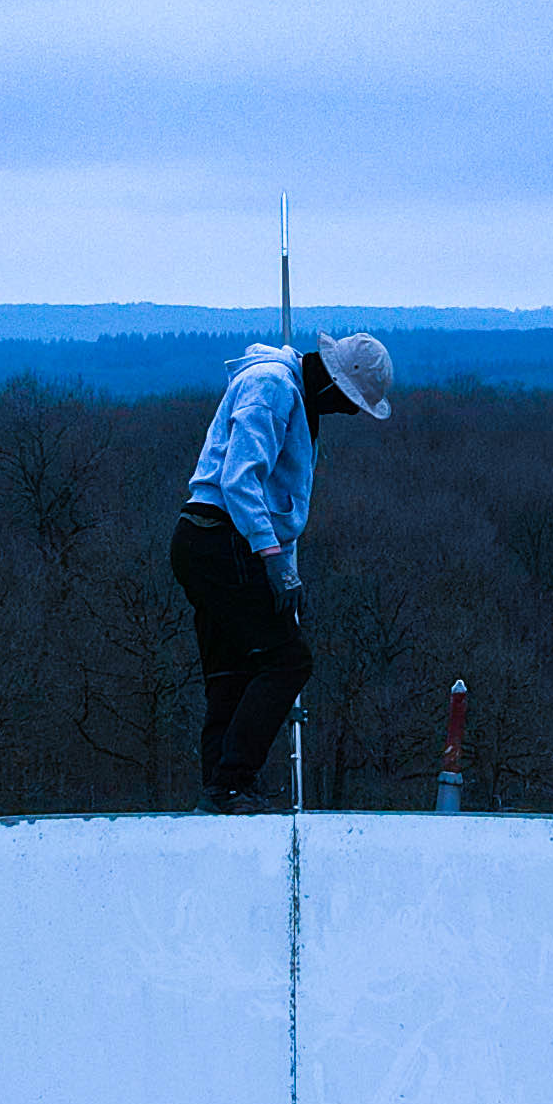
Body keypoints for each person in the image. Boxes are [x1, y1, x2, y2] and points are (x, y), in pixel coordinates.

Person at [171, 329, 393, 809]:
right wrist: (275, 563)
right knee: (287, 660)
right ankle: (231, 781)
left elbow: (275, 497)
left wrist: (281, 564)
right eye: (352, 402)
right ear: (336, 384)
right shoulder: (273, 387)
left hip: (217, 540)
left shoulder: (295, 394)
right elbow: (240, 480)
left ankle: (220, 790)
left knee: (232, 672)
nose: (351, 412)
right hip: (221, 536)